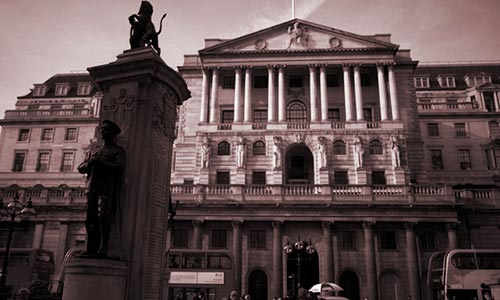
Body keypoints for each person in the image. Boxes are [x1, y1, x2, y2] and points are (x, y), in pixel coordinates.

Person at [78, 120, 125, 256]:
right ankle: (90, 248)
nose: (103, 132)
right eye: (102, 130)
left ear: (112, 134)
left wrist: (101, 163)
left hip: (106, 188)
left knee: (103, 216)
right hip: (91, 188)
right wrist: (90, 164)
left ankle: (103, 247)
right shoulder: (95, 150)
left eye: (106, 130)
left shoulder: (117, 151)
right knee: (90, 218)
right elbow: (81, 167)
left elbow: (119, 168)